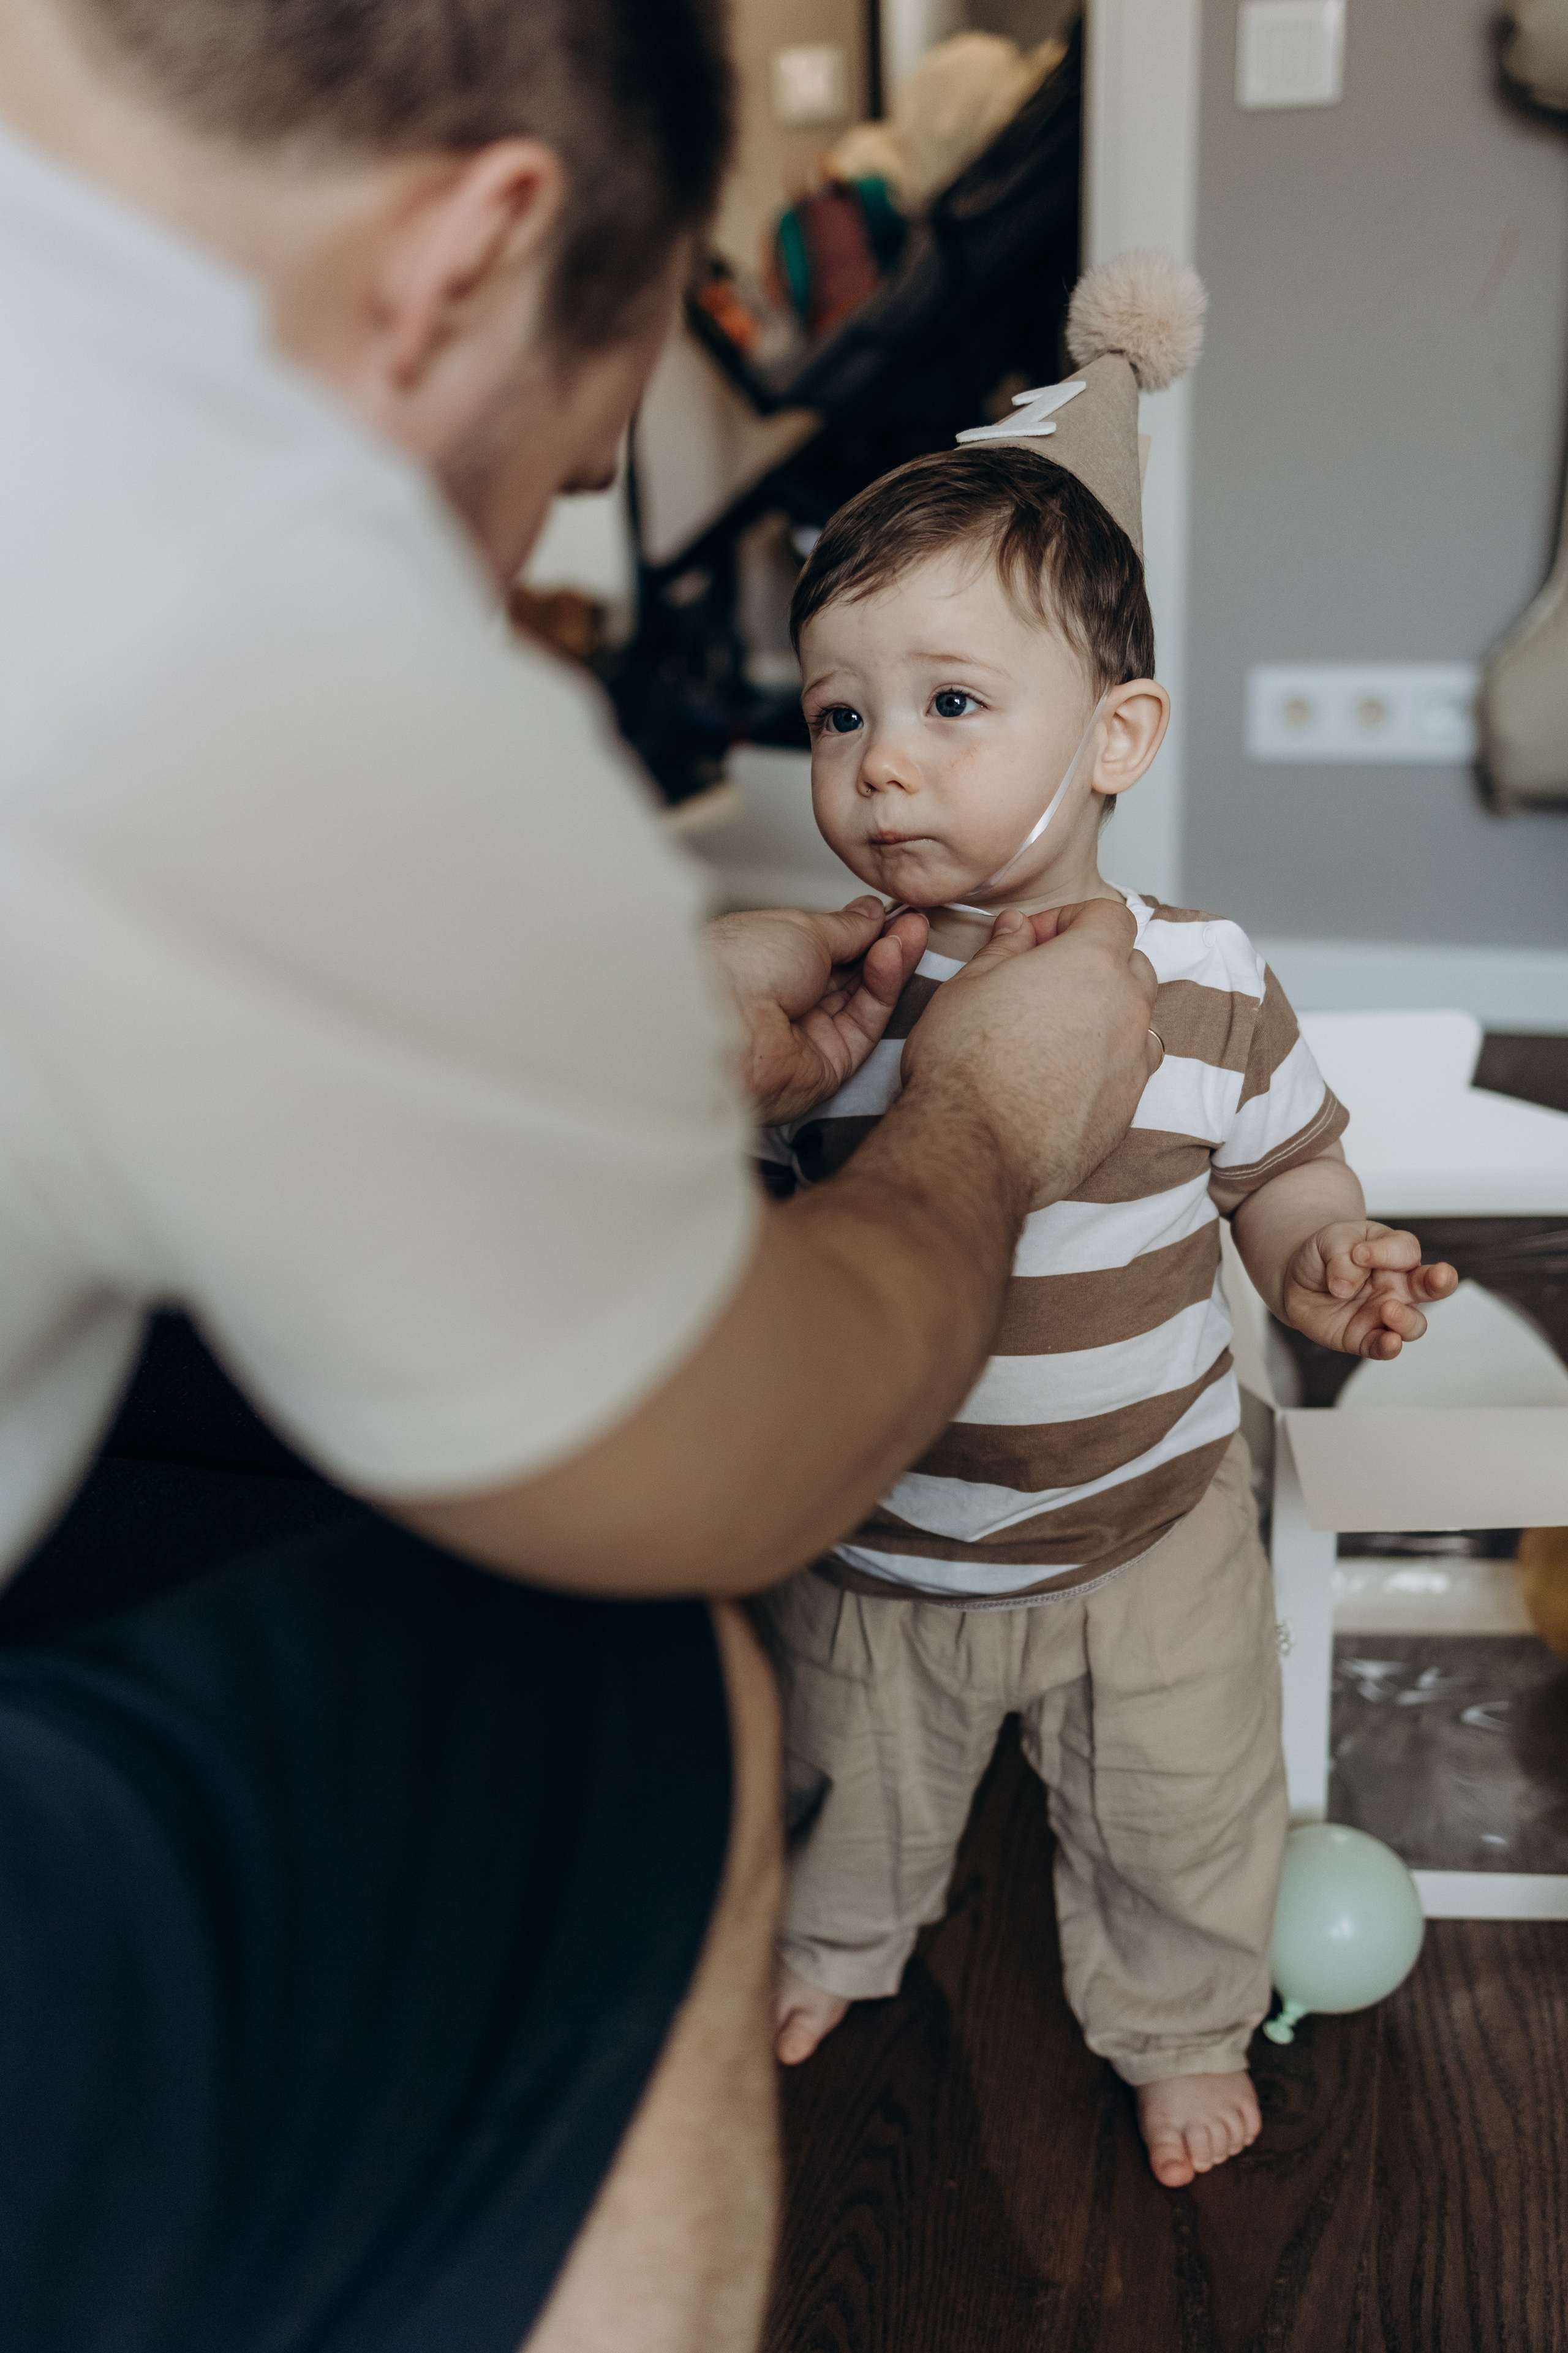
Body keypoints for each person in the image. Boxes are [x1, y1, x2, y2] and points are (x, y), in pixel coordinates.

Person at [0, 1, 1160, 2346]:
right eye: (561, 460)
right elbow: (718, 1471)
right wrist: (989, 1127)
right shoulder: (247, 602)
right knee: (639, 1676)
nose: (526, 539)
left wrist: (570, 1044)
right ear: (470, 246)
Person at [755, 254, 1459, 2191]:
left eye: (951, 702)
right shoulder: (839, 993)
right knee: (839, 1797)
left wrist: (1323, 1248)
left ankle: (1176, 2017)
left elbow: (1281, 1164)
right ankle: (831, 1944)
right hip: (883, 1537)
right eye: (835, 712)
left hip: (1148, 1519)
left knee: (1185, 1810)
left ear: (1117, 740)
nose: (879, 760)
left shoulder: (1205, 977)